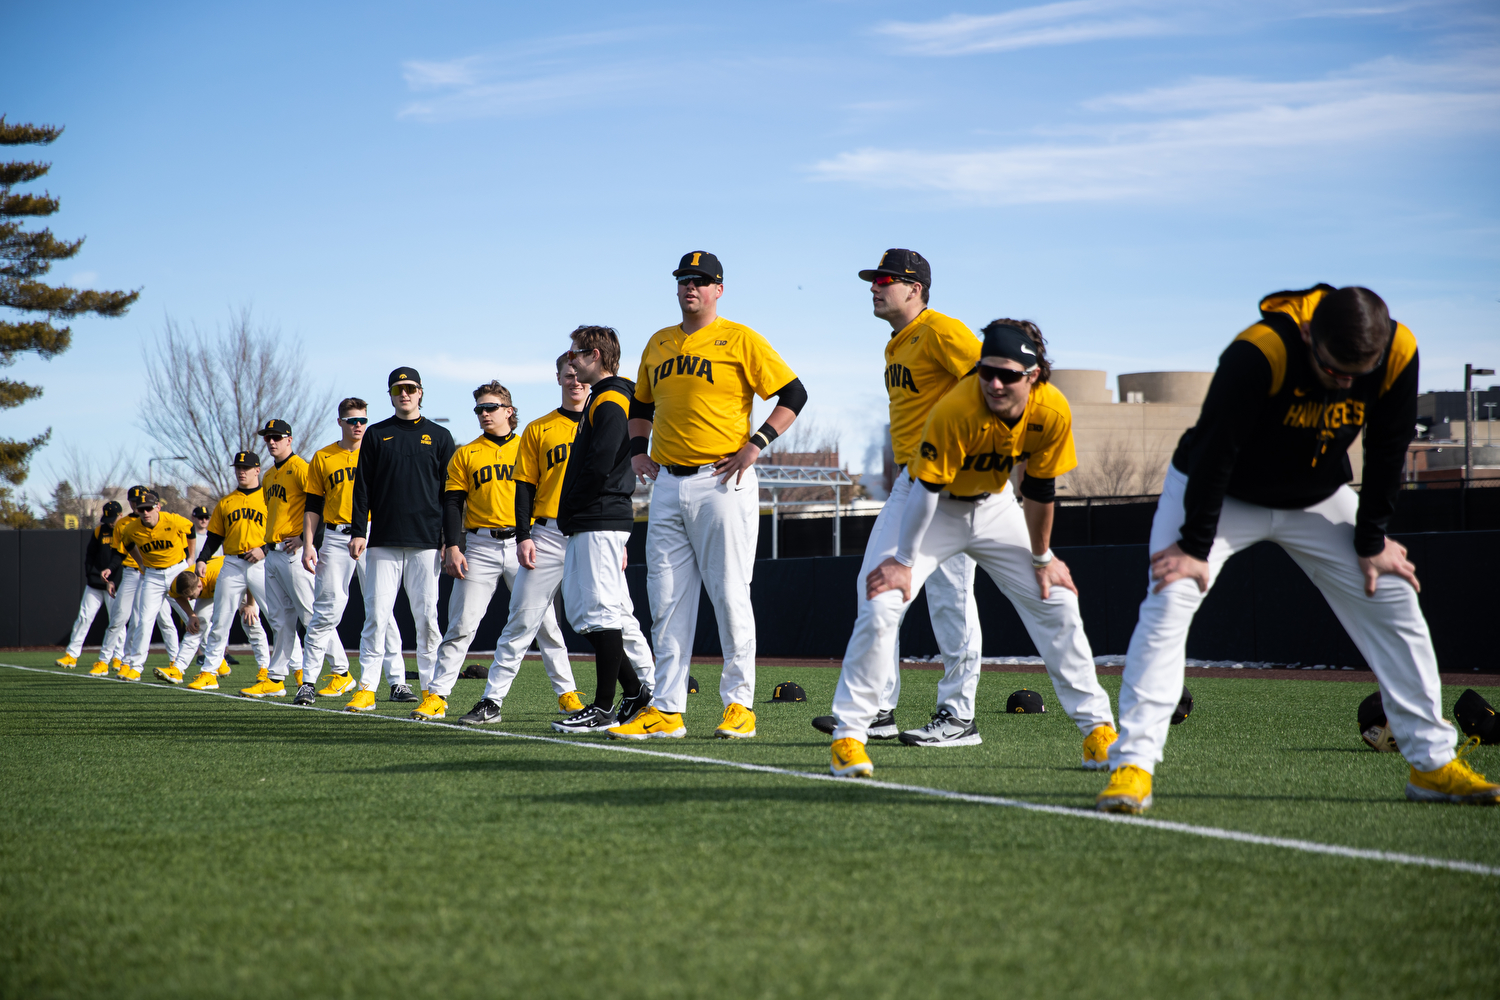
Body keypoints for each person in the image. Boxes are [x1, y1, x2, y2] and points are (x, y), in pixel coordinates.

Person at [1098, 285, 1499, 812]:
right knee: (1170, 597)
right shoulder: (1259, 352)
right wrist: (1194, 547)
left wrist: (1371, 539)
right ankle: (1133, 766)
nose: (1346, 385)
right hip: (1220, 494)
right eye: (1335, 372)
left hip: (1316, 496)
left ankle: (1431, 764)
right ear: (1309, 334)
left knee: (1394, 596)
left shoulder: (1399, 351)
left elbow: (1387, 445)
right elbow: (1217, 447)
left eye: (1359, 373)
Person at [828, 321, 1116, 779]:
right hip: (930, 502)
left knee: (1056, 599)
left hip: (996, 503)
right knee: (882, 599)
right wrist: (902, 563)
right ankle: (850, 734)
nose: (995, 384)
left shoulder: (1053, 411)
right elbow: (925, 491)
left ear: (1035, 375)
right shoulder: (957, 407)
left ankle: (1099, 732)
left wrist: (1043, 558)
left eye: (1008, 374)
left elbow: (1039, 490)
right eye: (987, 372)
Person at [610, 251, 806, 741]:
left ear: (719, 288)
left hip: (722, 480)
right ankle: (668, 709)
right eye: (682, 280)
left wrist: (756, 444)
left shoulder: (740, 338)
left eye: (700, 280)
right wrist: (637, 451)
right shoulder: (658, 341)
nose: (689, 287)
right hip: (668, 485)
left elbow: (794, 394)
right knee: (667, 600)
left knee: (729, 594)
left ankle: (740, 706)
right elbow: (640, 405)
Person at [814, 249, 986, 746]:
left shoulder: (941, 330)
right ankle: (878, 708)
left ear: (916, 288)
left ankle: (958, 716)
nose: (875, 286)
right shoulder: (897, 343)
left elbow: (993, 384)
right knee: (877, 584)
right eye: (874, 279)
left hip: (951, 481)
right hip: (910, 481)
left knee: (949, 600)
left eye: (886, 279)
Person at [459, 354, 654, 726]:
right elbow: (524, 486)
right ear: (560, 378)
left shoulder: (610, 414)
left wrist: (618, 540)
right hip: (548, 534)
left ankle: (652, 692)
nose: (575, 381)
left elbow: (616, 481)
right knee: (522, 619)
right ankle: (492, 700)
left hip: (595, 530)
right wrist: (523, 534)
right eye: (567, 375)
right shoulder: (539, 428)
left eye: (578, 374)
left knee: (620, 617)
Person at [410, 379, 580, 722]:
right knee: (461, 624)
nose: (484, 414)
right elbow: (453, 503)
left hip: (525, 541)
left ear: (509, 411)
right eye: (479, 409)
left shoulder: (527, 444)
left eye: (490, 407)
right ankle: (437, 695)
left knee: (545, 623)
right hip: (480, 545)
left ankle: (567, 694)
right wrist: (454, 545)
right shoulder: (466, 452)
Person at [548, 326, 650, 734]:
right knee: (584, 612)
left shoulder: (610, 398)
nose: (570, 361)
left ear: (594, 354)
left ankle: (605, 707)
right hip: (593, 518)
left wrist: (571, 505)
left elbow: (601, 464)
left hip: (601, 516)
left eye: (574, 354)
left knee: (602, 612)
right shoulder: (602, 397)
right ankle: (635, 692)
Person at [346, 367, 456, 711]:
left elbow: (451, 493)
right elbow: (361, 487)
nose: (404, 394)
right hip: (382, 541)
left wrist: (449, 540)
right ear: (391, 394)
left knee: (426, 618)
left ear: (420, 392)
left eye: (410, 388)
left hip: (425, 542)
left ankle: (431, 691)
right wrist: (358, 532)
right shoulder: (377, 434)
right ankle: (366, 688)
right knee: (377, 616)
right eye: (398, 389)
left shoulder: (440, 436)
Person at [293, 398, 406, 704]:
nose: (358, 425)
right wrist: (308, 544)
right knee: (326, 610)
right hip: (337, 535)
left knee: (384, 610)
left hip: (374, 535)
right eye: (352, 420)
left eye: (363, 420)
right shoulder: (324, 456)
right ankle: (309, 682)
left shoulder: (379, 451)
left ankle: (397, 682)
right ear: (340, 422)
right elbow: (313, 505)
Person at [253, 417, 352, 696]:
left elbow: (319, 504)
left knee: (312, 616)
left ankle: (341, 672)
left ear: (289, 440)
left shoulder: (301, 468)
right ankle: (275, 678)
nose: (271, 442)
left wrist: (307, 539)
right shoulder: (270, 475)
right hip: (272, 553)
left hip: (293, 552)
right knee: (279, 619)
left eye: (277, 437)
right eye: (267, 438)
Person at [190, 452, 274, 693]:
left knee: (278, 617)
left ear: (257, 470)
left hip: (262, 562)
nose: (241, 471)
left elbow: (281, 530)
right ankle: (209, 672)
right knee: (220, 620)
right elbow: (215, 535)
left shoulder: (269, 498)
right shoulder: (226, 502)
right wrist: (203, 558)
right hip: (233, 563)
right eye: (238, 467)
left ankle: (296, 669)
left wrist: (265, 550)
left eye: (246, 467)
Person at [93, 487, 181, 678]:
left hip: (158, 572)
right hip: (134, 573)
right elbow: (121, 550)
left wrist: (189, 561)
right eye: (133, 501)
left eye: (140, 502)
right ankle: (109, 661)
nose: (137, 505)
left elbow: (188, 531)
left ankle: (175, 661)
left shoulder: (165, 519)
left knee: (164, 619)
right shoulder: (124, 524)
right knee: (120, 618)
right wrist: (113, 569)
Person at [118, 489, 197, 681]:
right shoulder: (132, 528)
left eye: (149, 508)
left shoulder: (172, 520)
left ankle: (216, 659)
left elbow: (191, 530)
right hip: (152, 575)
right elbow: (127, 542)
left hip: (176, 571)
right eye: (141, 509)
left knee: (193, 616)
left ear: (158, 507)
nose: (145, 512)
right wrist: (140, 562)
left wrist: (191, 557)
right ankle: (136, 667)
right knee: (144, 620)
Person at [168, 556, 271, 686]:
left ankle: (264, 668)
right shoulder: (180, 581)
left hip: (238, 581)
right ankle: (178, 669)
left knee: (251, 623)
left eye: (190, 596)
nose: (188, 600)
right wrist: (191, 615)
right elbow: (177, 596)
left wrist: (250, 604)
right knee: (197, 626)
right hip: (213, 588)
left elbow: (249, 580)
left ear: (200, 584)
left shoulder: (217, 576)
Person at [57, 500, 125, 669]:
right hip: (95, 584)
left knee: (117, 621)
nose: (110, 521)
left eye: (113, 518)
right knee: (84, 618)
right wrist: (91, 575)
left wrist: (115, 581)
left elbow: (123, 559)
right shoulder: (99, 531)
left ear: (121, 516)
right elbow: (90, 555)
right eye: (108, 518)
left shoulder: (125, 531)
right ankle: (71, 655)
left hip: (115, 584)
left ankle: (118, 657)